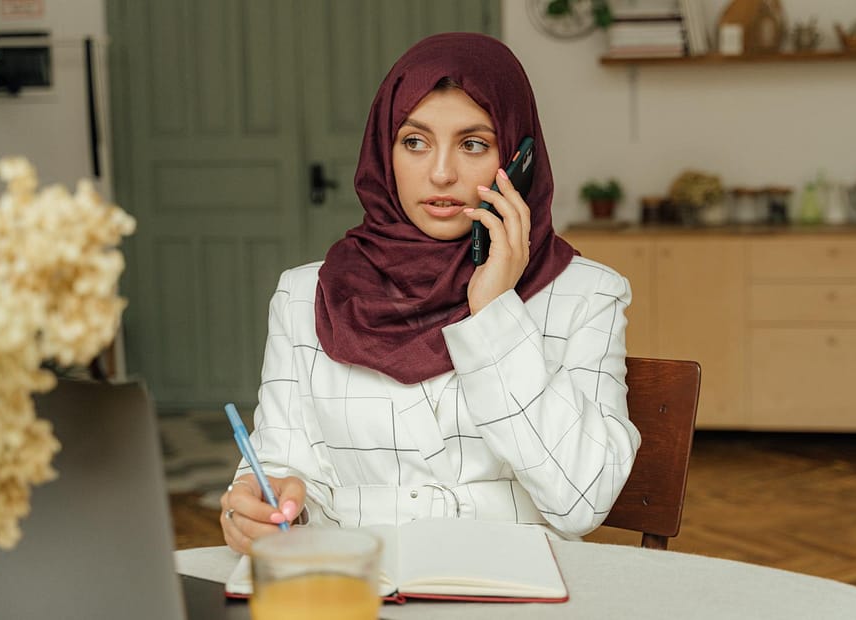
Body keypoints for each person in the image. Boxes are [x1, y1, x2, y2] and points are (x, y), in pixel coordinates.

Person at [220, 32, 639, 554]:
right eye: (414, 142)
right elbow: (283, 472)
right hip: (361, 589)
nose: (441, 173)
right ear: (382, 150)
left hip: (521, 594)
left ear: (517, 158)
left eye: (473, 144)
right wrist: (266, 507)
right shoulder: (306, 294)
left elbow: (581, 500)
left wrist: (494, 311)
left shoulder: (586, 294)